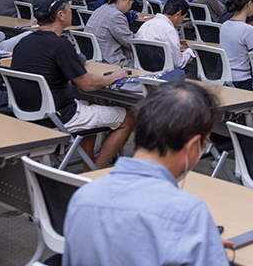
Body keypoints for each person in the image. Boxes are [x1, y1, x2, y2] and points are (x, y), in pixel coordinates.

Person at [62, 81, 229, 266]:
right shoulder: (188, 214)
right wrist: (207, 249)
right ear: (192, 146)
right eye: (205, 143)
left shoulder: (82, 197)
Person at [11, 0, 135, 170]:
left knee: (91, 108)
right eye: (68, 7)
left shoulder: (23, 43)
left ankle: (88, 166)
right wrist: (112, 77)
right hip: (62, 116)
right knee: (128, 118)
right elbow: (87, 84)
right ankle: (95, 173)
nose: (71, 10)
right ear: (60, 15)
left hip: (29, 115)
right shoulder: (60, 45)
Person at [134, 0, 195, 70]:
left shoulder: (145, 25)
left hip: (143, 70)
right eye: (183, 17)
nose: (182, 20)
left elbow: (152, 50)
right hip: (163, 73)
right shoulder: (169, 31)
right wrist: (190, 50)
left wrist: (176, 45)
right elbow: (178, 63)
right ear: (178, 14)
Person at [86, 0, 138, 65]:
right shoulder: (116, 16)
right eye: (131, 3)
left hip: (93, 60)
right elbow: (130, 43)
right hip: (111, 63)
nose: (130, 7)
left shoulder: (101, 9)